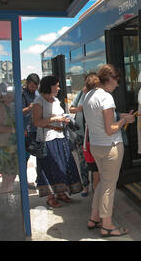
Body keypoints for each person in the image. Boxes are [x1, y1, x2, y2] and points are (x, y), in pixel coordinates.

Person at [83, 64, 135, 237]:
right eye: (117, 80)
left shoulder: (89, 94)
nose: (118, 84)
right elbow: (110, 128)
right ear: (110, 79)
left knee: (103, 182)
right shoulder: (106, 98)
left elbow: (98, 122)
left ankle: (93, 217)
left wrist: (119, 118)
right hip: (110, 146)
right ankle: (107, 225)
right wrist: (124, 120)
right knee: (108, 187)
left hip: (96, 146)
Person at [32, 75, 82, 208]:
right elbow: (37, 122)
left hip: (60, 137)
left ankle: (60, 193)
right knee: (50, 167)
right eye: (57, 85)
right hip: (48, 140)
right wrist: (55, 119)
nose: (59, 88)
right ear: (50, 86)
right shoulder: (39, 101)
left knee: (62, 166)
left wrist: (64, 118)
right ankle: (50, 196)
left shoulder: (55, 99)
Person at [69, 73, 96, 196]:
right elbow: (71, 109)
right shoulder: (81, 93)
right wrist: (79, 108)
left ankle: (96, 186)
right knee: (83, 161)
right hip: (81, 134)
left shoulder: (98, 94)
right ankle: (85, 186)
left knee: (95, 162)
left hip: (94, 134)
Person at [0, 83, 18, 193]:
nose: (10, 97)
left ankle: (7, 187)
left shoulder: (11, 106)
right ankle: (5, 189)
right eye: (7, 95)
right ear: (1, 96)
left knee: (12, 169)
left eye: (11, 95)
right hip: (4, 145)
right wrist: (13, 130)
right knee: (7, 170)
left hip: (11, 145)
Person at [22, 73, 40, 153]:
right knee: (26, 153)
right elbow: (19, 112)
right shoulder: (22, 94)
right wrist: (29, 108)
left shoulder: (37, 93)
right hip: (26, 129)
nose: (34, 89)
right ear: (27, 83)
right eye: (32, 87)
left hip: (36, 128)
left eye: (36, 87)